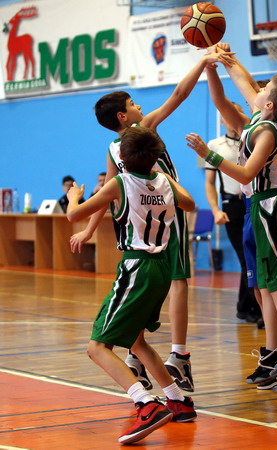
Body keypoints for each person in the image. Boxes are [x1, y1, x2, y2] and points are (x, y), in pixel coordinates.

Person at [68, 49, 233, 393]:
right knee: (178, 279)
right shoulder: (142, 130)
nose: (140, 106)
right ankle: (179, 354)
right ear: (123, 116)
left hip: (138, 219)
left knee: (145, 283)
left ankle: (136, 353)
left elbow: (108, 192)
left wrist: (88, 228)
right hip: (165, 209)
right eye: (133, 103)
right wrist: (202, 63)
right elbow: (179, 94)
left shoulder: (113, 148)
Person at [187, 49, 277, 393]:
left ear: (270, 103)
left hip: (272, 207)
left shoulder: (275, 128)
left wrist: (208, 154)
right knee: (263, 286)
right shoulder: (257, 119)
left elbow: (247, 172)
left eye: (264, 90)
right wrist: (218, 62)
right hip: (256, 207)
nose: (255, 90)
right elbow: (231, 92)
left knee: (276, 284)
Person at [66, 127, 197, 445]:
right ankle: (177, 400)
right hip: (163, 267)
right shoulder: (164, 180)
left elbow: (74, 216)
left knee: (97, 347)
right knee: (137, 343)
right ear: (156, 157)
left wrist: (73, 197)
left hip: (137, 266)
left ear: (121, 157)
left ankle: (145, 403)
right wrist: (163, 177)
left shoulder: (120, 183)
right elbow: (190, 204)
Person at [204, 102, 262, 325]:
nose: (232, 117)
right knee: (246, 258)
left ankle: (244, 307)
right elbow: (210, 183)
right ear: (221, 119)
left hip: (252, 202)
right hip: (231, 206)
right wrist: (216, 210)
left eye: (237, 112)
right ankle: (254, 309)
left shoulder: (252, 139)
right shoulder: (214, 145)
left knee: (254, 256)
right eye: (227, 114)